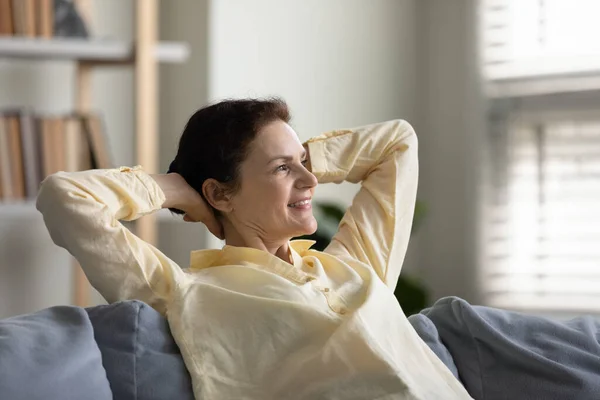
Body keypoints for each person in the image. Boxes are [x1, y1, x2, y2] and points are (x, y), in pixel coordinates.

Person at [36, 98, 473, 399]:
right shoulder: (182, 293)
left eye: (304, 162)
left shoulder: (355, 267)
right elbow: (65, 197)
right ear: (220, 194)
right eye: (283, 168)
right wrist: (179, 190)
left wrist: (303, 159)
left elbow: (397, 142)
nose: (310, 181)